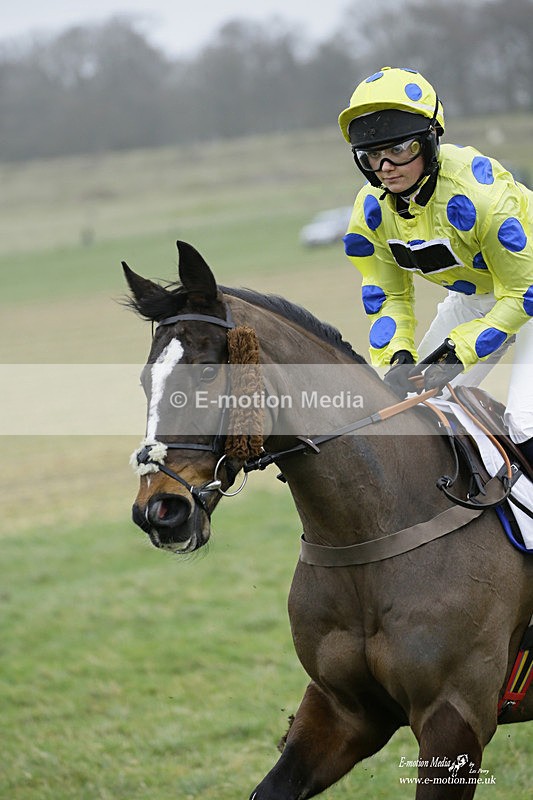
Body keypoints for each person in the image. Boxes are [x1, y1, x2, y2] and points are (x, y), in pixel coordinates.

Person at [338, 66, 533, 463]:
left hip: (527, 291)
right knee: (415, 412)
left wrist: (458, 353)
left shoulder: (484, 199)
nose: (386, 167)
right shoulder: (370, 211)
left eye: (399, 150)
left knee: (525, 422)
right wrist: (397, 356)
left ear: (429, 143)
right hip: (481, 296)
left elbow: (522, 294)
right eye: (372, 155)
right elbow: (387, 293)